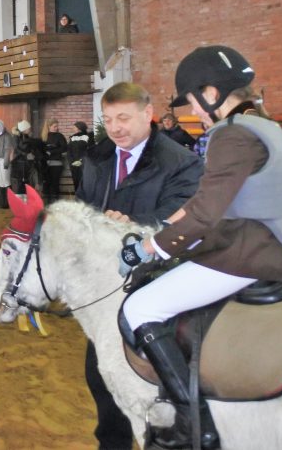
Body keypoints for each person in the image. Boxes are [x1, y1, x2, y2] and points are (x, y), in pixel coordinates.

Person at [117, 46, 282, 450]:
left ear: (211, 92)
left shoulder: (232, 135)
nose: (193, 113)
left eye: (192, 103)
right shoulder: (264, 125)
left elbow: (204, 215)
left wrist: (150, 248)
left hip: (249, 254)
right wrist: (165, 226)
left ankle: (188, 420)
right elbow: (209, 197)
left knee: (139, 308)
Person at [76, 81, 203, 450]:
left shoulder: (182, 162)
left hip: (157, 289)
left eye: (124, 118)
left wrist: (129, 224)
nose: (115, 127)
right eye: (108, 119)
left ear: (148, 114)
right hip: (104, 292)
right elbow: (84, 207)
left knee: (155, 384)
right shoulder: (97, 157)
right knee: (101, 378)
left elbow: (176, 220)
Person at [41, 119, 68, 203]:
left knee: (54, 183)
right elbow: (41, 149)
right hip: (45, 164)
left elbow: (64, 148)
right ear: (49, 126)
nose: (56, 128)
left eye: (57, 126)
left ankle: (55, 203)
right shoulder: (43, 136)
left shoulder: (59, 136)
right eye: (54, 126)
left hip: (56, 163)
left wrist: (51, 151)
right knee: (46, 183)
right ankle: (47, 203)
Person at [68, 121, 92, 193]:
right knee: (76, 182)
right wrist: (72, 161)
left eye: (74, 127)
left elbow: (90, 150)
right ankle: (77, 200)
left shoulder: (88, 137)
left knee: (84, 182)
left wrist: (82, 161)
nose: (73, 128)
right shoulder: (72, 138)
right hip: (74, 165)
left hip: (85, 164)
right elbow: (69, 151)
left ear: (79, 128)